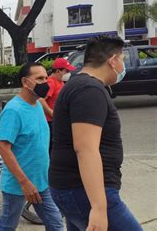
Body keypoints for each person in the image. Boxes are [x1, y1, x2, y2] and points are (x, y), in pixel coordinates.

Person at [49, 36, 142, 231]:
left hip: (73, 188)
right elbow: (85, 149)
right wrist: (99, 208)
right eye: (122, 60)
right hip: (82, 190)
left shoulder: (77, 85)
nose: (122, 66)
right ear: (112, 60)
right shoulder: (89, 90)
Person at [0, 62, 63, 231]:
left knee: (55, 224)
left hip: (41, 181)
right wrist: (24, 183)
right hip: (18, 185)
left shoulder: (38, 105)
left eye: (46, 78)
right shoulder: (14, 110)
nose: (45, 82)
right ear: (25, 82)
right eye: (39, 78)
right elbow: (4, 148)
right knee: (8, 225)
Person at [39, 58, 75, 153]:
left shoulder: (60, 81)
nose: (68, 73)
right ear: (58, 71)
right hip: (50, 122)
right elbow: (41, 99)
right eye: (66, 71)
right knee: (52, 148)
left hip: (58, 121)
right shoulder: (51, 83)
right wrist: (51, 112)